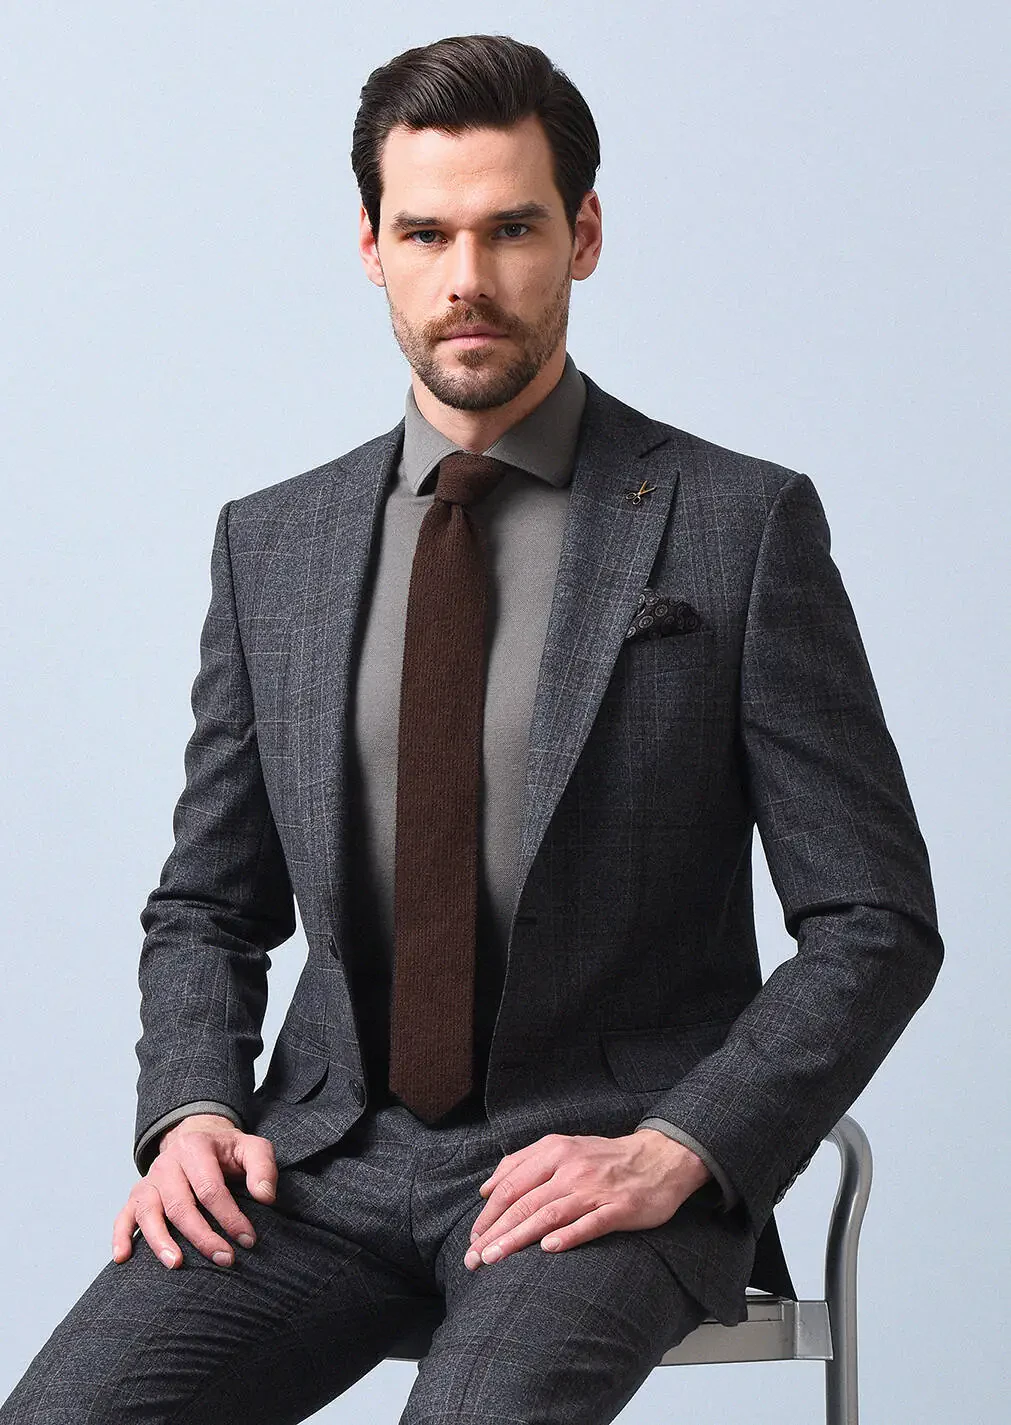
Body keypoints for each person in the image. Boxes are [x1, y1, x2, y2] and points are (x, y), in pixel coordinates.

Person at [1, 31, 943, 1425]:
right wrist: (191, 1109)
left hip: (597, 1166)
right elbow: (207, 903)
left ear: (583, 236)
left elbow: (874, 920)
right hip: (318, 1165)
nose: (468, 280)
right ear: (369, 247)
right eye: (426, 233)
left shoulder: (738, 526)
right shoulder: (273, 546)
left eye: (511, 229)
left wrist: (684, 1145)